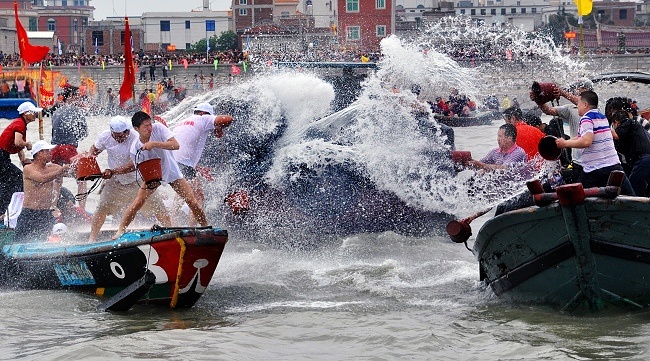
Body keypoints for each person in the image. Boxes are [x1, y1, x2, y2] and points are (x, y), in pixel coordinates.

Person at [112, 111, 208, 239]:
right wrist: (149, 180)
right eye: (145, 126)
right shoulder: (135, 148)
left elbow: (176, 145)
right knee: (138, 201)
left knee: (191, 200)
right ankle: (120, 230)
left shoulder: (158, 128)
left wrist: (155, 144)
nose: (149, 128)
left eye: (149, 124)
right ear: (136, 129)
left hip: (171, 170)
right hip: (153, 174)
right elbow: (139, 168)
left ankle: (206, 227)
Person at [88, 116, 170, 242]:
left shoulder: (136, 137)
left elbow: (134, 164)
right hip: (116, 181)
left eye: (121, 135)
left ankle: (172, 231)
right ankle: (92, 239)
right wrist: (90, 163)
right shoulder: (105, 136)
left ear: (128, 131)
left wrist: (112, 171)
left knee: (159, 208)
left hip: (138, 180)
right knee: (101, 208)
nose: (119, 138)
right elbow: (94, 150)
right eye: (116, 135)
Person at [556, 91, 635, 195]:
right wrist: (565, 141)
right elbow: (580, 137)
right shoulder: (602, 117)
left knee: (575, 199)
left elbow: (586, 141)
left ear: (585, 105)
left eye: (578, 103)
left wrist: (565, 144)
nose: (577, 106)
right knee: (630, 197)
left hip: (595, 170)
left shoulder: (586, 118)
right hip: (614, 166)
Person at [172, 103, 232, 224]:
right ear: (205, 113)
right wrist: (219, 127)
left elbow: (184, 146)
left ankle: (170, 223)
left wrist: (197, 167)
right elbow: (228, 119)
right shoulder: (204, 118)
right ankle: (192, 228)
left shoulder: (184, 121)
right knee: (197, 196)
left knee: (182, 194)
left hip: (173, 161)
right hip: (183, 164)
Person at [534, 78, 594, 177]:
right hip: (577, 161)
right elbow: (549, 111)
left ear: (588, 91)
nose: (577, 90)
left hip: (593, 160)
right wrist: (539, 100)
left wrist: (562, 93)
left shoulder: (594, 107)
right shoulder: (571, 109)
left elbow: (584, 104)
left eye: (580, 88)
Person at [14, 140, 69, 243]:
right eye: (47, 151)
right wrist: (60, 171)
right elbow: (42, 179)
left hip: (45, 214)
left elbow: (72, 173)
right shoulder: (28, 169)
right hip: (29, 213)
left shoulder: (53, 168)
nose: (50, 153)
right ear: (39, 153)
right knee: (19, 243)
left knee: (45, 242)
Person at [0, 101, 40, 219]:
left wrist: (23, 161)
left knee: (8, 182)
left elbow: (17, 147)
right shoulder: (19, 124)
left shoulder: (20, 124)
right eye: (33, 113)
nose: (35, 115)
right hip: (1, 157)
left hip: (3, 157)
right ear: (25, 114)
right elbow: (18, 142)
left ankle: (6, 211)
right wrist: (27, 144)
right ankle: (3, 212)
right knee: (17, 180)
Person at [51, 86, 89, 207]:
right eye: (77, 95)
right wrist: (76, 138)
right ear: (71, 96)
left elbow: (53, 131)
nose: (79, 97)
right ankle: (82, 209)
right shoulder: (77, 111)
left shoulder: (56, 111)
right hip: (68, 148)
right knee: (82, 179)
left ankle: (53, 206)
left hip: (55, 148)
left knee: (57, 179)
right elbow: (84, 132)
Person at [609, 110, 650, 196]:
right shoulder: (636, 128)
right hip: (644, 161)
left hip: (643, 161)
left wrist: (602, 128)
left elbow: (615, 135)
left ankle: (636, 209)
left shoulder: (628, 122)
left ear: (616, 122)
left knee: (632, 192)